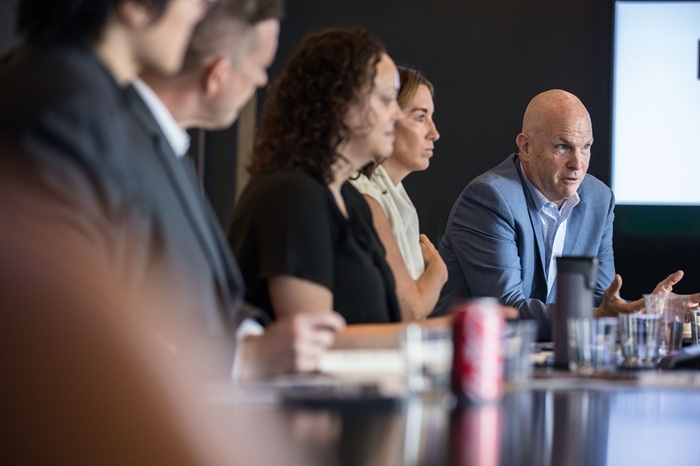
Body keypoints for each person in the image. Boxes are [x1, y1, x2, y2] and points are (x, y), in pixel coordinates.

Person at [132, 0, 344, 380]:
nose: (263, 81)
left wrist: (251, 337)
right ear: (218, 75)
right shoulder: (126, 149)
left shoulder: (166, 147)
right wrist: (245, 356)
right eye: (260, 67)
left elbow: (207, 296)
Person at [435, 89, 700, 340]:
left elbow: (602, 302)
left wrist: (654, 311)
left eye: (585, 147)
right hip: (468, 356)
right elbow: (507, 310)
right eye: (563, 147)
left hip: (547, 356)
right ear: (526, 147)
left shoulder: (599, 199)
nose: (577, 163)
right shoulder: (489, 198)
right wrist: (599, 316)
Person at [228, 28, 406, 332]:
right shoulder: (293, 196)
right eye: (387, 99)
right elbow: (315, 344)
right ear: (341, 103)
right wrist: (439, 336)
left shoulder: (351, 200)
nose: (398, 114)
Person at [351, 66, 447, 320]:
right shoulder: (361, 196)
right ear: (387, 117)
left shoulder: (399, 198)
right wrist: (438, 271)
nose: (434, 133)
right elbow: (408, 310)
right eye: (420, 117)